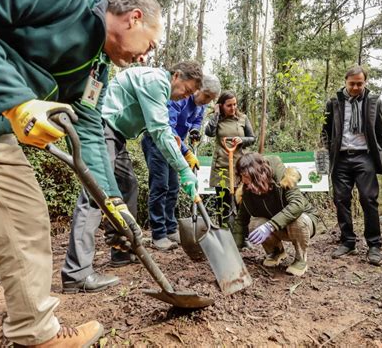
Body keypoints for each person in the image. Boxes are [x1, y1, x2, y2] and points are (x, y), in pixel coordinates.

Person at [0, 0, 163, 346]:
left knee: (26, 222)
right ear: (134, 18)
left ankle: (37, 333)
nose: (145, 56)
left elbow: (90, 130)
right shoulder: (64, 1)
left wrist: (113, 202)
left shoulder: (97, 68)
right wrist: (15, 101)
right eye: (150, 44)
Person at [62, 61, 202, 287]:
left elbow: (161, 127)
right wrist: (183, 169)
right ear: (176, 76)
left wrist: (182, 151)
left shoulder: (161, 90)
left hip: (116, 136)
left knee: (128, 186)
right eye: (186, 90)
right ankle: (76, 273)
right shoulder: (156, 81)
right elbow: (159, 130)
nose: (184, 97)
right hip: (102, 128)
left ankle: (121, 250)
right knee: (95, 194)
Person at [322, 65, 382, 266]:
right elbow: (325, 132)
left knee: (369, 200)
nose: (356, 87)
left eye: (360, 83)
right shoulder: (334, 103)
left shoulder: (374, 102)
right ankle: (347, 241)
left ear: (365, 82)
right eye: (352, 84)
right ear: (345, 82)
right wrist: (325, 153)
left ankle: (374, 245)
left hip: (364, 157)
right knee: (341, 199)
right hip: (340, 158)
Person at [141, 75, 221, 251]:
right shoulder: (180, 100)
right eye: (206, 96)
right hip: (157, 142)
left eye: (210, 99)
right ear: (198, 89)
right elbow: (167, 129)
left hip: (175, 147)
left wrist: (194, 130)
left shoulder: (201, 104)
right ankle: (158, 234)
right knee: (160, 186)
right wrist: (186, 152)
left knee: (173, 187)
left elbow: (197, 121)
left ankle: (170, 229)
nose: (207, 101)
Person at [234, 153, 320, 277]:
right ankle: (276, 252)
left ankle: (300, 259)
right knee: (255, 224)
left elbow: (297, 204)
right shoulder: (248, 189)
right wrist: (233, 251)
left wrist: (270, 226)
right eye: (242, 177)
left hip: (303, 222)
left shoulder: (283, 178)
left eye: (246, 177)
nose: (244, 181)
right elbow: (241, 220)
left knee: (298, 220)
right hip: (277, 226)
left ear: (258, 175)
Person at [205, 91, 255, 227]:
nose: (233, 108)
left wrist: (242, 140)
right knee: (223, 202)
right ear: (221, 106)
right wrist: (215, 114)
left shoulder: (243, 118)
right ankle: (224, 232)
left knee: (241, 202)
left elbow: (252, 138)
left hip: (240, 167)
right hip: (222, 166)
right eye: (229, 105)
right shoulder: (218, 120)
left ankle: (242, 235)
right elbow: (208, 133)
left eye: (235, 104)